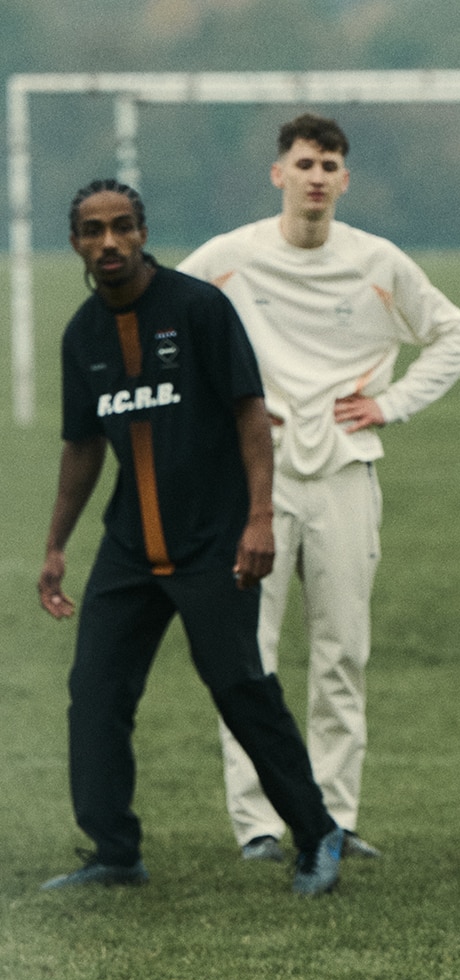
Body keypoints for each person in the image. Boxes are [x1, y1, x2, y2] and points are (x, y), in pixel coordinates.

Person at [179, 112, 460, 864]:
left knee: (342, 652)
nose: (316, 177)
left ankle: (335, 817)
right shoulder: (229, 256)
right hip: (255, 480)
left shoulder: (378, 261)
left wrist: (393, 403)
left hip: (345, 472)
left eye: (329, 166)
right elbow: (168, 324)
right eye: (304, 163)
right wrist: (220, 411)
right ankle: (257, 825)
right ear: (279, 173)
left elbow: (456, 335)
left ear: (345, 180)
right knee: (249, 656)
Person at [38, 180, 345, 897]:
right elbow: (82, 445)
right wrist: (55, 547)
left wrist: (260, 518)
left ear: (142, 233)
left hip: (213, 540)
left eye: (121, 226)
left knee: (239, 687)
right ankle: (115, 852)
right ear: (76, 243)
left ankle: (317, 833)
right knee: (95, 694)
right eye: (93, 231)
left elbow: (250, 414)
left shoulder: (198, 308)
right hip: (129, 547)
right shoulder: (83, 335)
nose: (109, 242)